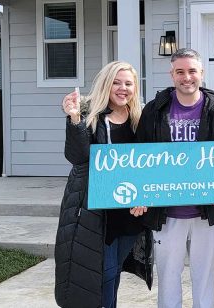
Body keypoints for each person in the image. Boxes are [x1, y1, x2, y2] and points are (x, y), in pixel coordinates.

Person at [132, 48, 214, 308]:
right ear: (172, 75)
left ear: (202, 73)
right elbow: (140, 155)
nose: (186, 77)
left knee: (205, 276)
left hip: (208, 210)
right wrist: (140, 193)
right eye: (180, 72)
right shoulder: (154, 110)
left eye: (192, 71)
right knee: (168, 276)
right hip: (166, 211)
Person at [54, 61, 152, 308]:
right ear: (106, 84)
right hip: (98, 210)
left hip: (131, 210)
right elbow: (78, 157)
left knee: (114, 270)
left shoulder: (140, 119)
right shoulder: (90, 116)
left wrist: (145, 195)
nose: (122, 88)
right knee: (105, 272)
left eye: (128, 83)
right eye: (116, 83)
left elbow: (150, 164)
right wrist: (74, 118)